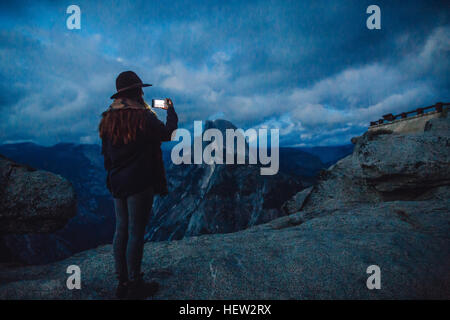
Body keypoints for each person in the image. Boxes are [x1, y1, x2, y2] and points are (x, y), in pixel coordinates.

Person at [99, 71, 178, 299]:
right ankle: (135, 284)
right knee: (136, 233)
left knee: (121, 229)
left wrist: (111, 177)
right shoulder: (143, 117)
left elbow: (107, 154)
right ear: (136, 91)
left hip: (117, 181)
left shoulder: (107, 118)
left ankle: (122, 283)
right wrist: (170, 110)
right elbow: (168, 134)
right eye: (140, 89)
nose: (143, 93)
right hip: (140, 181)